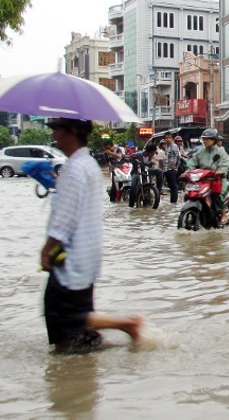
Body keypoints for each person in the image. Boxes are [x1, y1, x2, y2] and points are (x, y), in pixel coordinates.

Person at [42, 118, 143, 353]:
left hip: (72, 255)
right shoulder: (86, 164)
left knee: (63, 316)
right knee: (76, 330)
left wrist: (46, 249)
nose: (55, 135)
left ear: (72, 132)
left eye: (57, 129)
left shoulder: (76, 168)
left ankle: (127, 324)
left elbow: (64, 219)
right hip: (86, 254)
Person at [185, 128, 229, 224]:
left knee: (217, 195)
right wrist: (187, 171)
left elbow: (224, 164)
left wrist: (220, 171)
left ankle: (223, 215)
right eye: (204, 139)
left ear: (213, 140)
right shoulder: (200, 152)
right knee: (190, 192)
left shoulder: (220, 152)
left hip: (217, 179)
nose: (205, 141)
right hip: (202, 179)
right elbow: (192, 162)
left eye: (207, 139)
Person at [128, 144, 157, 208]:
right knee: (133, 186)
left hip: (145, 172)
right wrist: (136, 163)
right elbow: (130, 157)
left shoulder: (151, 157)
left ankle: (156, 192)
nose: (154, 154)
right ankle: (131, 204)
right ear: (149, 152)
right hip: (136, 172)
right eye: (153, 152)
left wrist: (152, 163)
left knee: (159, 172)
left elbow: (150, 164)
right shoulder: (138, 154)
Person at [163, 132, 180, 204]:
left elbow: (177, 156)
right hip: (166, 169)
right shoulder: (167, 146)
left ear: (172, 138)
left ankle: (174, 202)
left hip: (172, 169)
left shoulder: (174, 146)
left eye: (169, 138)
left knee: (173, 186)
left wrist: (174, 166)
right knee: (170, 186)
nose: (167, 139)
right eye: (166, 138)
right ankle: (172, 201)